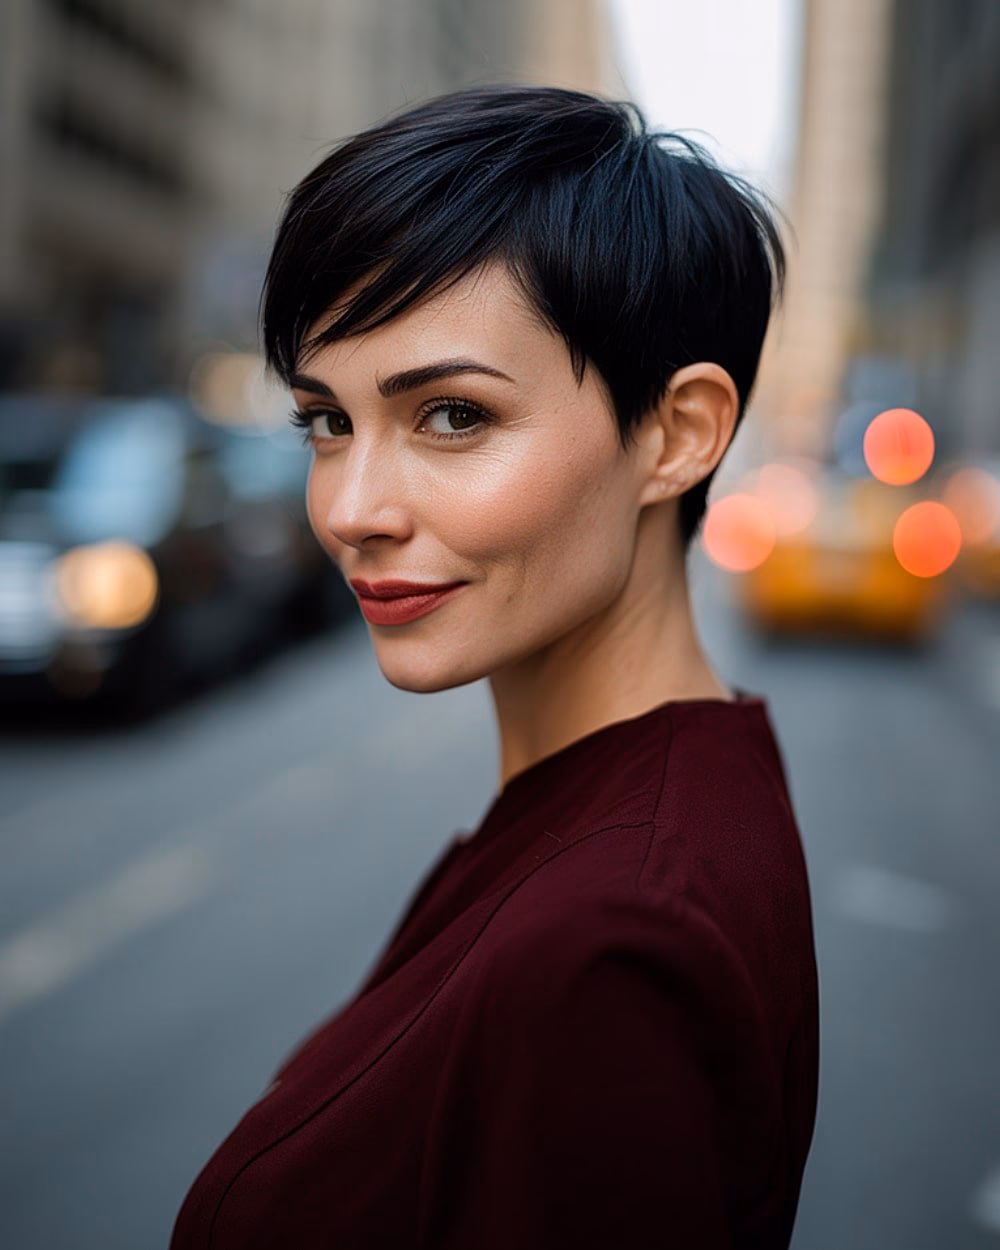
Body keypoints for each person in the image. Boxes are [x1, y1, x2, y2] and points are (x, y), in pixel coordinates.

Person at [170, 84, 819, 1249]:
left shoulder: (613, 946)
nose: (354, 509)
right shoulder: (654, 803)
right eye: (326, 420)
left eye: (453, 416)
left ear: (676, 434)